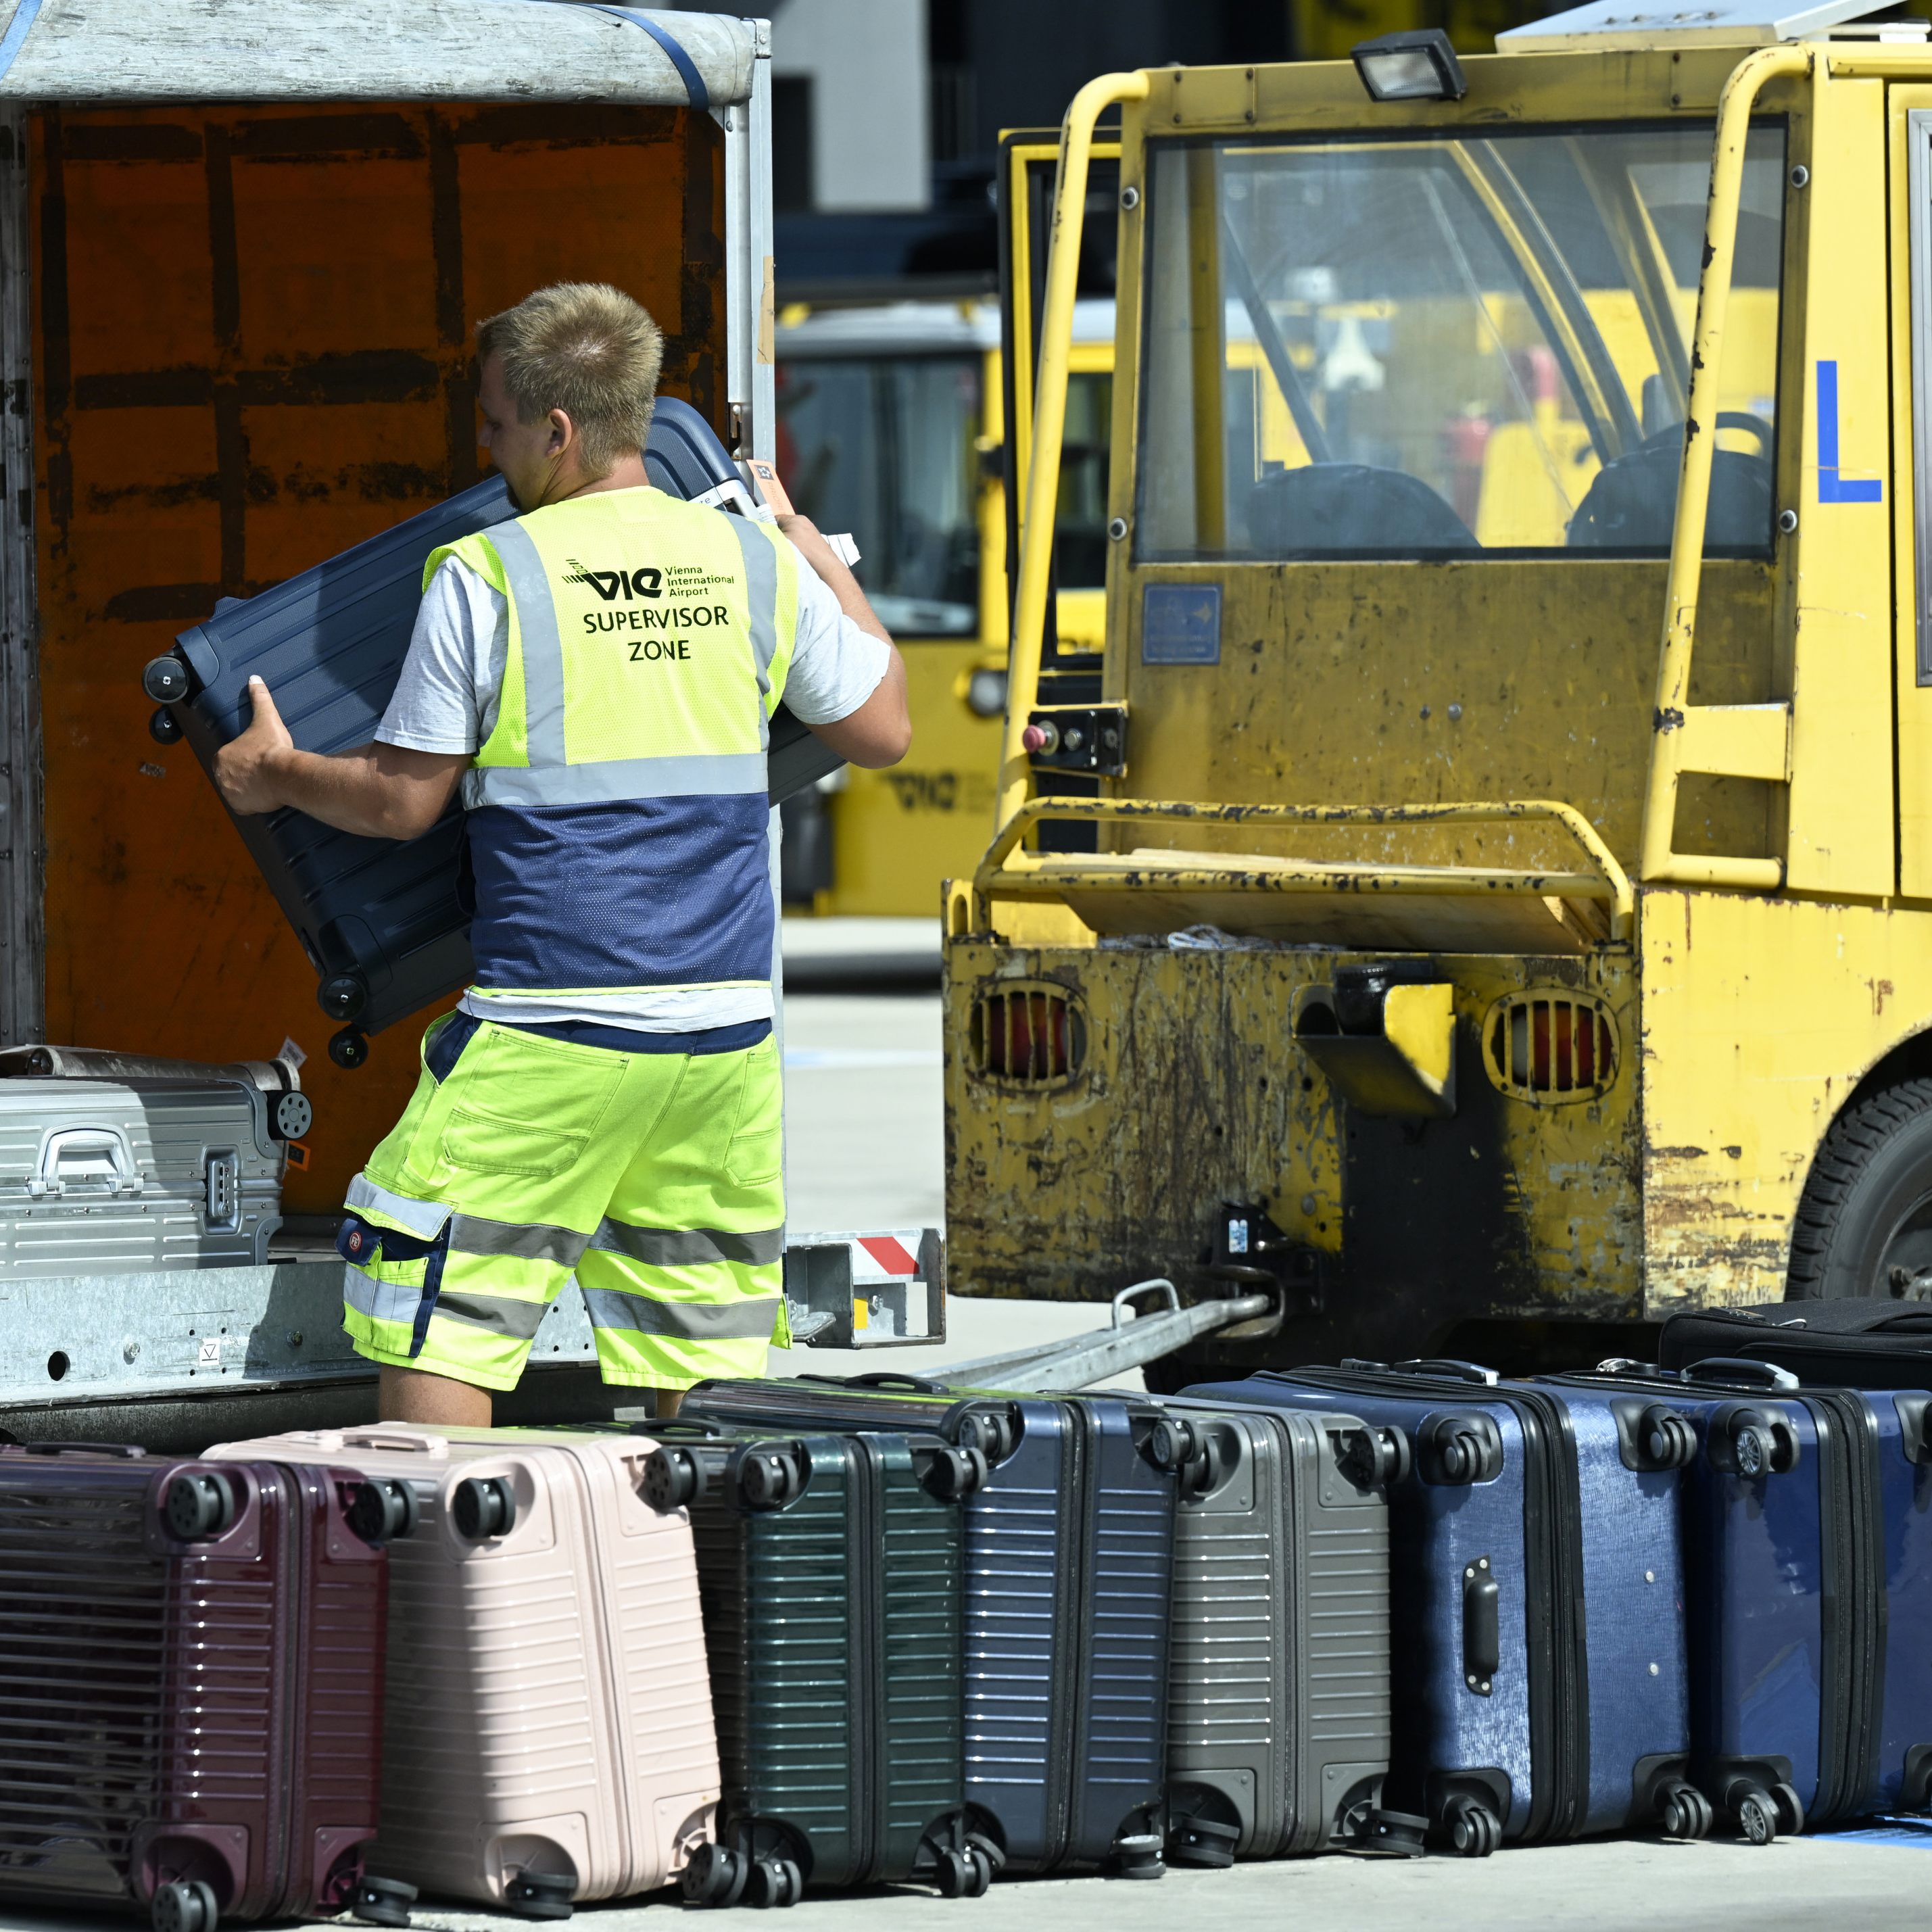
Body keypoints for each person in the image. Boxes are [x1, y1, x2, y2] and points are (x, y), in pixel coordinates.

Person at [213, 282, 909, 1426]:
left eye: (491, 423)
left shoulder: (490, 576)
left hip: (556, 1033)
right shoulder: (745, 562)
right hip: (722, 1044)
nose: (484, 449)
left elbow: (399, 804)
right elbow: (881, 728)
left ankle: (451, 1589)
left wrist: (271, 773)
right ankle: (698, 1603)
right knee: (697, 1370)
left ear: (558, 431)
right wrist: (805, 545)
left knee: (433, 1303)